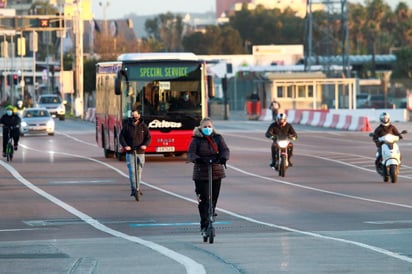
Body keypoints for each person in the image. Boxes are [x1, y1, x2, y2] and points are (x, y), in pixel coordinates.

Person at [187, 117, 230, 236]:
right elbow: (191, 153)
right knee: (204, 199)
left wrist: (223, 158)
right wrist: (198, 159)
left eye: (209, 126)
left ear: (213, 127)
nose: (207, 129)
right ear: (200, 128)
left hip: (216, 171)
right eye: (205, 127)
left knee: (214, 197)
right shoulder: (196, 140)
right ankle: (204, 223)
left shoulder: (218, 138)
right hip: (201, 173)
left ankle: (211, 213)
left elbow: (225, 150)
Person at [119, 108, 151, 200]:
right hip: (130, 152)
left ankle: (137, 187)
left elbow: (148, 137)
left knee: (139, 171)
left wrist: (145, 145)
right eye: (133, 115)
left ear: (139, 116)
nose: (134, 117)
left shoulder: (143, 126)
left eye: (136, 116)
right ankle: (134, 189)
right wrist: (126, 146)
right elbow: (121, 137)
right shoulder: (127, 126)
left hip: (140, 152)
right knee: (132, 171)